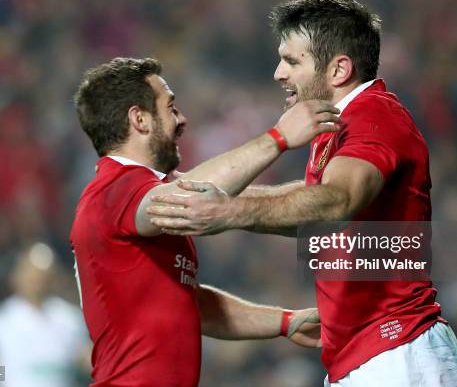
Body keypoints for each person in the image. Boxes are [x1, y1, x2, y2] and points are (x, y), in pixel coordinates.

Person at [147, 0, 457, 386]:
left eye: (293, 61)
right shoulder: (335, 123)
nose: (279, 72)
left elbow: (338, 201)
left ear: (339, 69)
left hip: (396, 350)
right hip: (365, 354)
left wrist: (228, 213)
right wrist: (219, 203)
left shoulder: (374, 115)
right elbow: (317, 207)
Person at [70, 57, 340, 386]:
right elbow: (190, 196)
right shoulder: (112, 190)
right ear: (139, 119)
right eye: (170, 107)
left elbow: (193, 304)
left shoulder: (143, 199)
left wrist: (285, 322)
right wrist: (279, 137)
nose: (182, 119)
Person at [0, 243, 91, 387]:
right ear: (16, 275)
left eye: (43, 275)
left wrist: (82, 367)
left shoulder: (70, 319)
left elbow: (90, 365)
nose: (37, 281)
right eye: (31, 274)